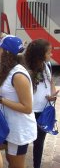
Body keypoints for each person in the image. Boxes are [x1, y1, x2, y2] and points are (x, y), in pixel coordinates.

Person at [0, 35, 37, 168]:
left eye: (0, 49)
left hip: (19, 130)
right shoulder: (10, 70)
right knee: (9, 159)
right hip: (9, 127)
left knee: (16, 164)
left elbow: (27, 107)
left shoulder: (18, 75)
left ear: (6, 52)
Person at [24, 39, 59, 168]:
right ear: (40, 54)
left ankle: (36, 166)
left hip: (43, 111)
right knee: (25, 141)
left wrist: (53, 95)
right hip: (29, 111)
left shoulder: (47, 66)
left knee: (39, 142)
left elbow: (51, 83)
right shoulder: (27, 69)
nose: (51, 55)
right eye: (49, 53)